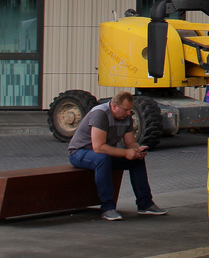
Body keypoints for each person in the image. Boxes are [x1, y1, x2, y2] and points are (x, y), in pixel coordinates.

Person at [68, 92, 166, 221]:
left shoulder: (126, 117)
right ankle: (108, 208)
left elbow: (130, 143)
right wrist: (126, 153)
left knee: (136, 161)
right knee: (102, 159)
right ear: (114, 106)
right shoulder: (100, 114)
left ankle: (145, 204)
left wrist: (136, 150)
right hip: (80, 152)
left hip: (102, 152)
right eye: (125, 110)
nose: (128, 113)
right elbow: (98, 147)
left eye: (129, 110)